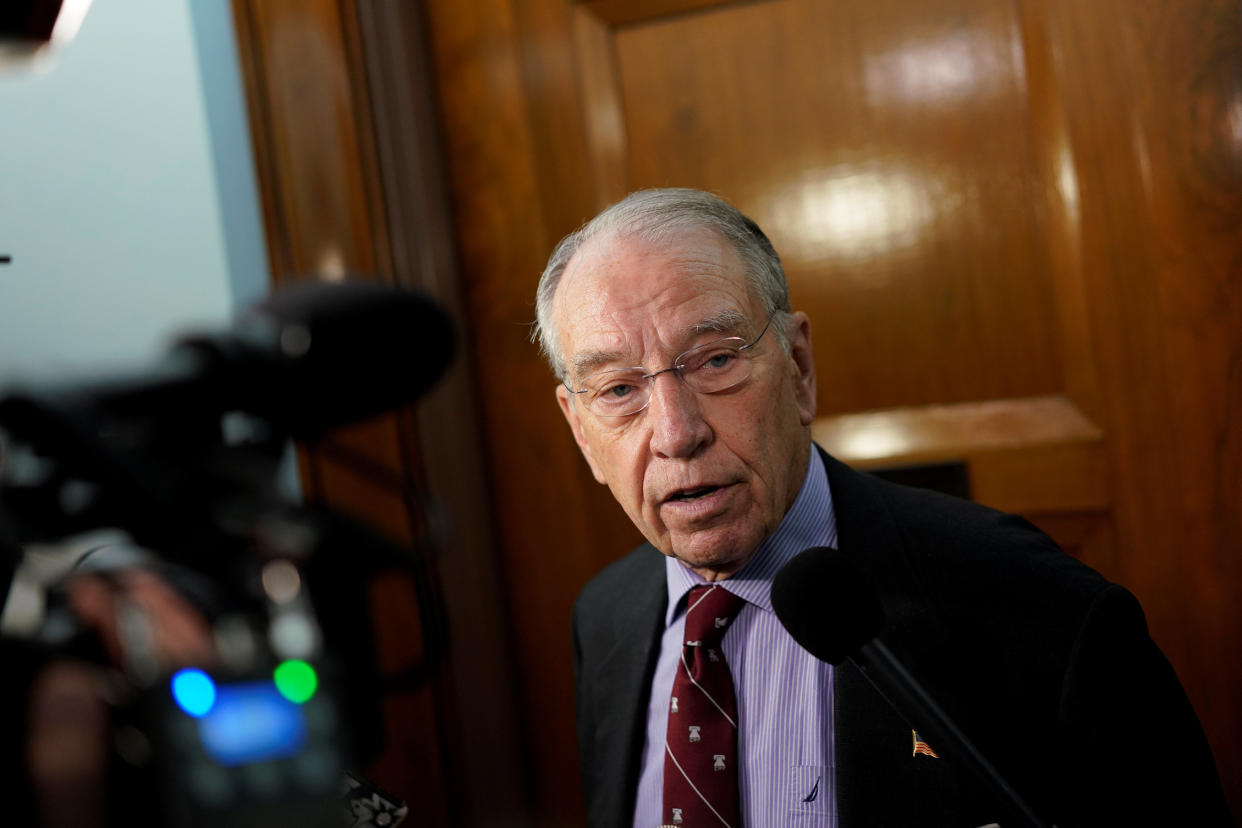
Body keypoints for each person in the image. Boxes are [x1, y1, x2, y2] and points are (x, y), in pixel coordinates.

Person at [534, 188, 1232, 828]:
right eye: (619, 390)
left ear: (800, 368)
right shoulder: (606, 619)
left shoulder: (1044, 610)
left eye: (716, 360)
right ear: (580, 432)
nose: (677, 433)